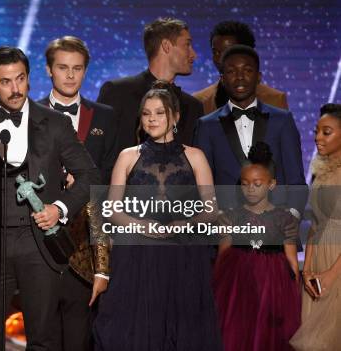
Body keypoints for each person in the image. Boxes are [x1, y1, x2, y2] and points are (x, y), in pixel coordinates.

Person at [0, 46, 99, 350]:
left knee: (42, 336)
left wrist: (59, 208)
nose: (15, 89)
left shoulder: (54, 123)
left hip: (38, 242)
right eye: (6, 82)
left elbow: (90, 175)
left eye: (21, 79)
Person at [93, 82, 221, 350]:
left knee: (181, 332)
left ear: (175, 117)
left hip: (183, 257)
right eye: (146, 113)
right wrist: (142, 225)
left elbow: (210, 210)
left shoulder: (195, 157)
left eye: (159, 113)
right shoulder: (127, 156)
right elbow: (113, 209)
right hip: (137, 257)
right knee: (134, 331)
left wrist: (181, 224)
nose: (152, 119)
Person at [38, 36, 113, 350]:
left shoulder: (107, 117)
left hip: (86, 243)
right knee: (43, 335)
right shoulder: (29, 113)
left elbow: (111, 179)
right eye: (63, 67)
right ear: (49, 70)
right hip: (40, 239)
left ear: (85, 71)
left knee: (80, 336)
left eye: (77, 68)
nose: (70, 75)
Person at [194, 45, 306, 213]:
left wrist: (292, 219)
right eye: (232, 72)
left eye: (247, 70)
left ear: (258, 76)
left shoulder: (282, 120)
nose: (240, 77)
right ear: (222, 79)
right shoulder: (206, 126)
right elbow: (202, 186)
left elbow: (296, 180)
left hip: (277, 229)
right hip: (227, 229)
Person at [213, 142, 300, 351]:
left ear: (271, 184)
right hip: (238, 287)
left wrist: (295, 296)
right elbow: (222, 257)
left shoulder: (284, 218)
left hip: (273, 287)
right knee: (238, 334)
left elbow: (291, 262)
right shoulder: (230, 217)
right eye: (244, 183)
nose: (250, 189)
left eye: (257, 183)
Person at [97, 17, 203, 150]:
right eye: (187, 45)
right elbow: (98, 149)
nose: (194, 54)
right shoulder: (118, 92)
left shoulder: (193, 107)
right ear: (166, 46)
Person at [291, 103, 341, 351]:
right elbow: (315, 225)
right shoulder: (319, 171)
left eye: (327, 131)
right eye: (316, 131)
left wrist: (332, 275)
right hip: (317, 265)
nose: (318, 137)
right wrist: (308, 270)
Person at [193, 20, 288, 114]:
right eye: (216, 52)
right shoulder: (199, 101)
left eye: (227, 52)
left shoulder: (275, 100)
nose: (220, 59)